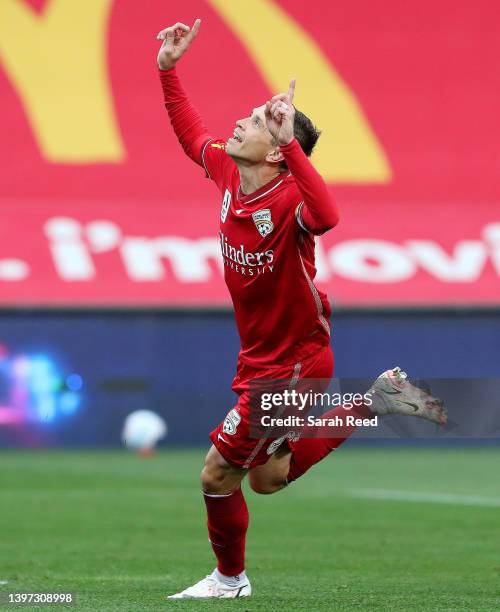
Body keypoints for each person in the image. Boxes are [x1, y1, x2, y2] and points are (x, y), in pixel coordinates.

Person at [156, 19, 447, 599]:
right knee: (267, 478)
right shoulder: (227, 172)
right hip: (263, 358)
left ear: (279, 152)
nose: (241, 122)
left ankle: (229, 581)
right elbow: (192, 136)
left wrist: (290, 139)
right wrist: (167, 70)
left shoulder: (291, 196)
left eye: (259, 122)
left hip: (293, 362)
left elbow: (330, 216)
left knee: (216, 473)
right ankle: (373, 404)